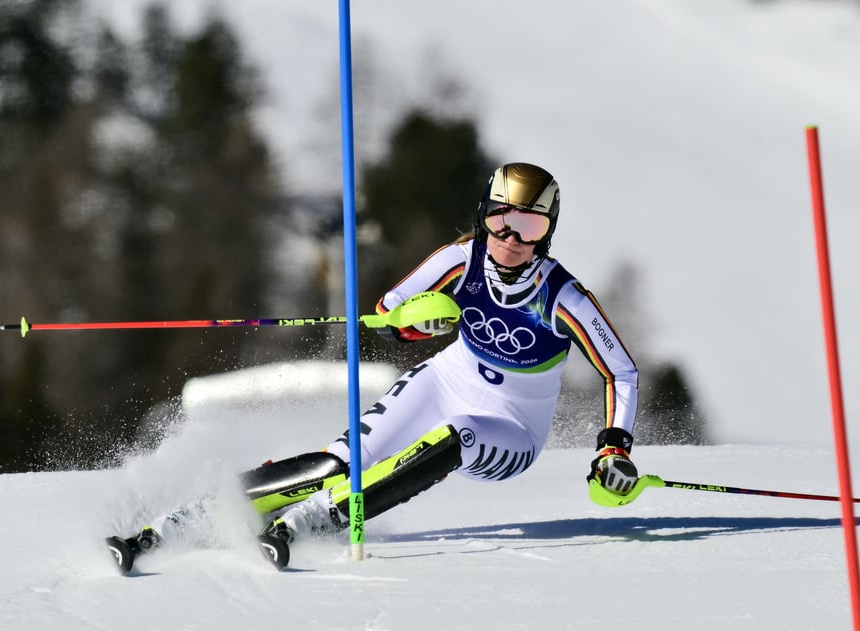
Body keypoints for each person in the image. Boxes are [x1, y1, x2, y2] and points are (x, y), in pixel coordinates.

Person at [109, 162, 640, 571]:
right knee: (340, 461)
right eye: (501, 220)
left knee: (458, 437)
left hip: (514, 426)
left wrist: (613, 447)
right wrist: (411, 325)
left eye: (528, 225)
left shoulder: (562, 294)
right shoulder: (461, 258)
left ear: (546, 231)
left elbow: (621, 372)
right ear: (485, 216)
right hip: (447, 378)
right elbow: (390, 308)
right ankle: (182, 521)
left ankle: (317, 519)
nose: (510, 239)